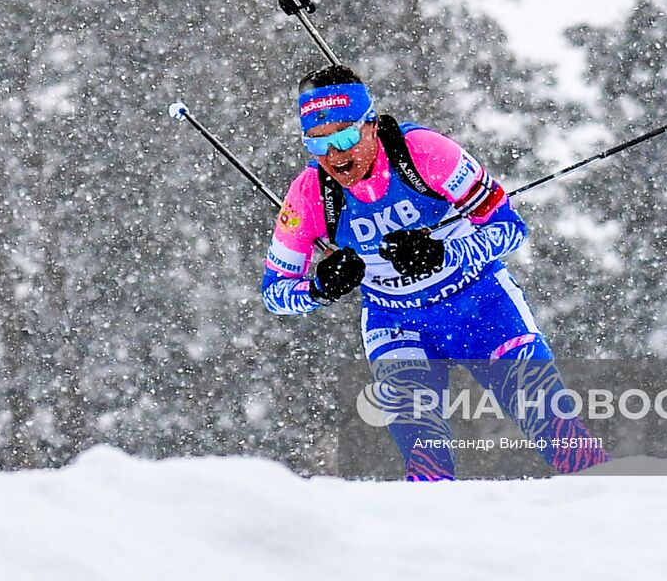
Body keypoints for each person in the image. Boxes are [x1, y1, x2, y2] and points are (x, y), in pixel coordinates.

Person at [261, 64, 610, 480]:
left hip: (483, 306)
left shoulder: (426, 153)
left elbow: (511, 229)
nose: (335, 156)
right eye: (317, 145)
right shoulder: (309, 194)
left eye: (345, 137)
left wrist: (444, 253)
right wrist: (322, 286)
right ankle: (433, 543)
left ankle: (626, 516)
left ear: (370, 125)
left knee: (559, 436)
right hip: (396, 324)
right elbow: (275, 292)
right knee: (428, 465)